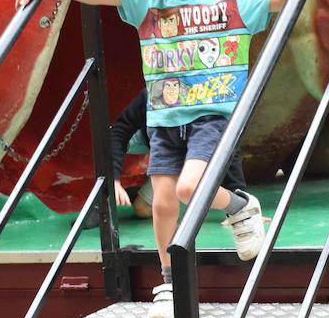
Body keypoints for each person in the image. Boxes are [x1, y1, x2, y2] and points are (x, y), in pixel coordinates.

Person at [17, 0, 306, 318]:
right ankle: (171, 284)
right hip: (165, 120)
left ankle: (240, 207)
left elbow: (284, 0)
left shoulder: (232, 0)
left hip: (212, 116)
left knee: (190, 189)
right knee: (163, 205)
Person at [106, 87, 249, 222]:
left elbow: (229, 144)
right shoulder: (155, 90)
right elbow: (119, 131)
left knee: (142, 209)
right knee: (105, 138)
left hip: (186, 153)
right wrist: (113, 179)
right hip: (152, 138)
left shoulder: (206, 99)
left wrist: (239, 201)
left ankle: (138, 192)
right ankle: (102, 200)